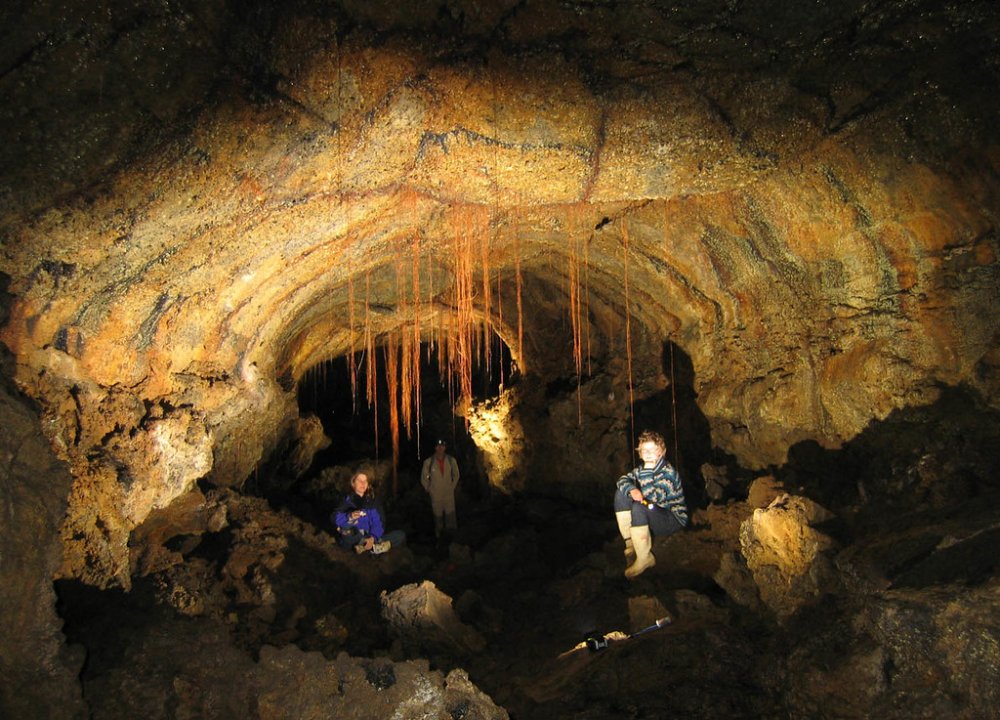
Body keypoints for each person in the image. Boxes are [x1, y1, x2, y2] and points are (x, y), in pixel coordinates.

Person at [614, 430, 688, 578]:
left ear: (662, 452)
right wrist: (631, 489)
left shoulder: (669, 473)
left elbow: (654, 497)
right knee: (621, 492)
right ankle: (630, 543)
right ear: (639, 453)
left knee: (639, 507)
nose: (648, 453)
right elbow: (622, 480)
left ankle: (645, 558)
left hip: (672, 519)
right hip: (654, 514)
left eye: (652, 449)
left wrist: (645, 476)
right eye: (644, 450)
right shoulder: (641, 470)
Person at [333, 471, 405, 554]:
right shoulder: (346, 501)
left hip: (369, 536)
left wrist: (373, 537)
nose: (363, 483)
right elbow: (334, 517)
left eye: (365, 481)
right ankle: (371, 547)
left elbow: (379, 523)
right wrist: (349, 517)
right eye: (360, 480)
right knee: (347, 528)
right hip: (354, 537)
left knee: (400, 535)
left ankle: (370, 546)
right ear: (353, 483)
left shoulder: (373, 502)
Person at [421, 438, 460, 539]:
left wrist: (452, 486)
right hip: (436, 496)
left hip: (448, 495)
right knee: (438, 520)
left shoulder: (451, 461)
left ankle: (452, 541)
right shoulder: (428, 462)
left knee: (451, 519)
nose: (440, 448)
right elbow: (423, 478)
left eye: (442, 446)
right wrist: (429, 489)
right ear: (435, 448)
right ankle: (440, 541)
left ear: (445, 448)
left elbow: (456, 475)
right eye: (438, 446)